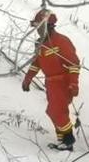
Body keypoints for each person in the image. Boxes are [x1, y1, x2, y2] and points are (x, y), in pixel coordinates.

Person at [22, 9, 81, 151]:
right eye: (36, 27)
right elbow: (36, 63)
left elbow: (74, 64)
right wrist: (28, 78)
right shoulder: (40, 44)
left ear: (48, 25)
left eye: (39, 26)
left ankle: (68, 140)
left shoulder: (62, 41)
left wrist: (73, 83)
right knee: (52, 111)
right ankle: (62, 139)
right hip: (50, 83)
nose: (37, 30)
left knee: (57, 111)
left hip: (62, 82)